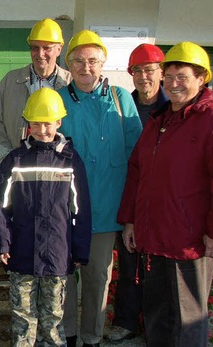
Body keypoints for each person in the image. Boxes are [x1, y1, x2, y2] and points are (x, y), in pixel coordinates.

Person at [117, 41, 213, 347]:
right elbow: (136, 172)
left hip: (189, 241)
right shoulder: (158, 121)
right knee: (156, 313)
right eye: (169, 77)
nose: (173, 84)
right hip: (153, 239)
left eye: (182, 77)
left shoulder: (209, 120)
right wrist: (130, 221)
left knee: (188, 317)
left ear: (201, 79)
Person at [58, 30, 142, 347]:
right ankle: (67, 334)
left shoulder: (121, 100)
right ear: (70, 64)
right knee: (64, 277)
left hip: (107, 208)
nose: (85, 67)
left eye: (92, 60)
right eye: (78, 60)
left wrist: (132, 210)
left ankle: (91, 337)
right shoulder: (59, 100)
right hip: (66, 208)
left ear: (103, 63)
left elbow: (137, 156)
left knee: (97, 278)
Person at [0, 88, 92, 347]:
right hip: (22, 251)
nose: (42, 129)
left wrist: (79, 251)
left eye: (47, 123)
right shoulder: (16, 160)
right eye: (36, 122)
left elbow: (80, 209)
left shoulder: (69, 160)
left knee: (53, 317)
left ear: (59, 122)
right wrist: (2, 244)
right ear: (28, 123)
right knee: (23, 315)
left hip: (57, 253)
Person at [105, 43, 167, 344]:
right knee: (130, 262)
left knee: (163, 266)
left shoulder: (175, 108)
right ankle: (127, 320)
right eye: (138, 71)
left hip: (167, 199)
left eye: (150, 70)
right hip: (131, 194)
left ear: (162, 73)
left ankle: (159, 325)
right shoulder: (122, 108)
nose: (144, 77)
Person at [0, 18, 72, 152]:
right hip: (16, 160)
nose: (40, 54)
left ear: (59, 49)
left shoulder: (70, 84)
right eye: (35, 48)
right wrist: (5, 151)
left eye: (47, 48)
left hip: (57, 163)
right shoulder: (10, 81)